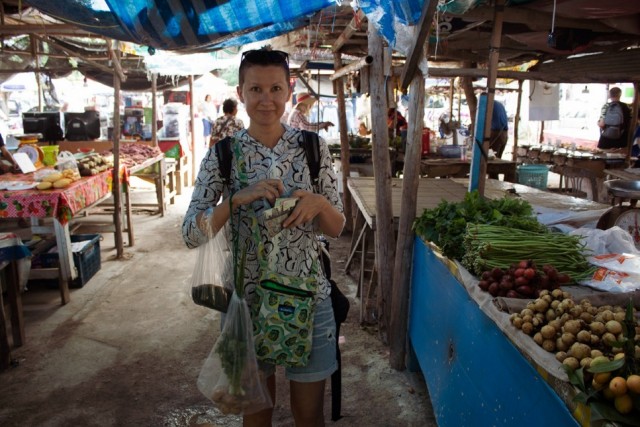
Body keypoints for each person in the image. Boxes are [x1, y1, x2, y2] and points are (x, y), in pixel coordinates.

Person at [182, 46, 345, 426]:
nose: (266, 100)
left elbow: (337, 229)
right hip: (246, 304)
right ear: (241, 93)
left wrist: (319, 204)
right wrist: (234, 201)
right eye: (255, 90)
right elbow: (191, 233)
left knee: (310, 418)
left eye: (274, 89)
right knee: (256, 417)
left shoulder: (313, 148)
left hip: (309, 299)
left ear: (288, 90)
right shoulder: (222, 156)